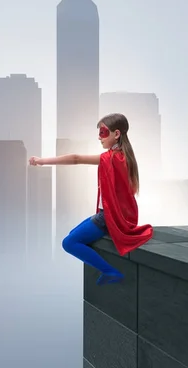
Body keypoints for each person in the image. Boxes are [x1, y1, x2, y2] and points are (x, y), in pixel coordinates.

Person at [29, 113, 153, 286]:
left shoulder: (110, 158)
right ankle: (110, 269)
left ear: (116, 134)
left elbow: (76, 159)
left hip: (107, 218)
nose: (99, 137)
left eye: (103, 132)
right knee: (73, 234)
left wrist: (42, 161)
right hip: (114, 216)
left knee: (69, 243)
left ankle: (111, 271)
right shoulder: (123, 157)